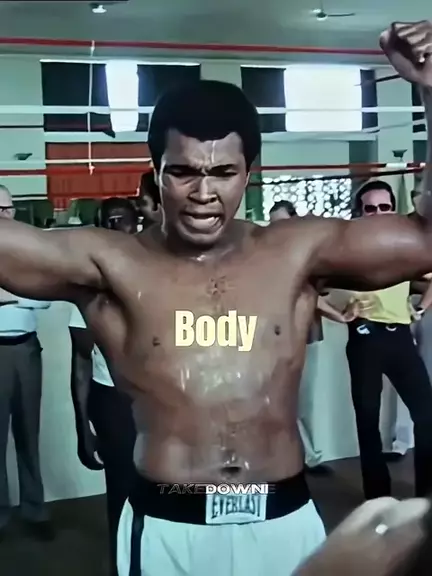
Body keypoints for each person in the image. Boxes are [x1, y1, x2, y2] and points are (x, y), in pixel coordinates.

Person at [0, 21, 431, 575]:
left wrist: (429, 90)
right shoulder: (108, 262)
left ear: (249, 173)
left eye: (223, 173)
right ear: (155, 175)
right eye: (182, 172)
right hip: (169, 525)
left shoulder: (298, 252)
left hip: (283, 517)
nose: (203, 194)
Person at [346, 179, 432, 500]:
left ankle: (426, 496)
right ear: (360, 212)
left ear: (393, 209)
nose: (378, 213)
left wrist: (420, 309)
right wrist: (341, 312)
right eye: (370, 208)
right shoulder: (347, 250)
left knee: (427, 415)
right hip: (365, 337)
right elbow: (312, 285)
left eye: (384, 207)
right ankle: (377, 497)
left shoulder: (405, 250)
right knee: (368, 422)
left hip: (400, 339)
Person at [69, 197, 138, 574]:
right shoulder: (85, 288)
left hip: (161, 401)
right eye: (107, 221)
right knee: (123, 494)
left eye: (121, 220)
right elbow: (80, 363)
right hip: (112, 402)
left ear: (135, 224)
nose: (115, 228)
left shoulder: (159, 277)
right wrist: (83, 428)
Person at [0, 184, 53, 541]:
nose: (7, 215)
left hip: (27, 350)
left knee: (29, 435)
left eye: (9, 208)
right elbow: (32, 294)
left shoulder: (29, 249)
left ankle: (35, 510)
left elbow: (45, 297)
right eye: (0, 209)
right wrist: (22, 293)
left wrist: (6, 296)